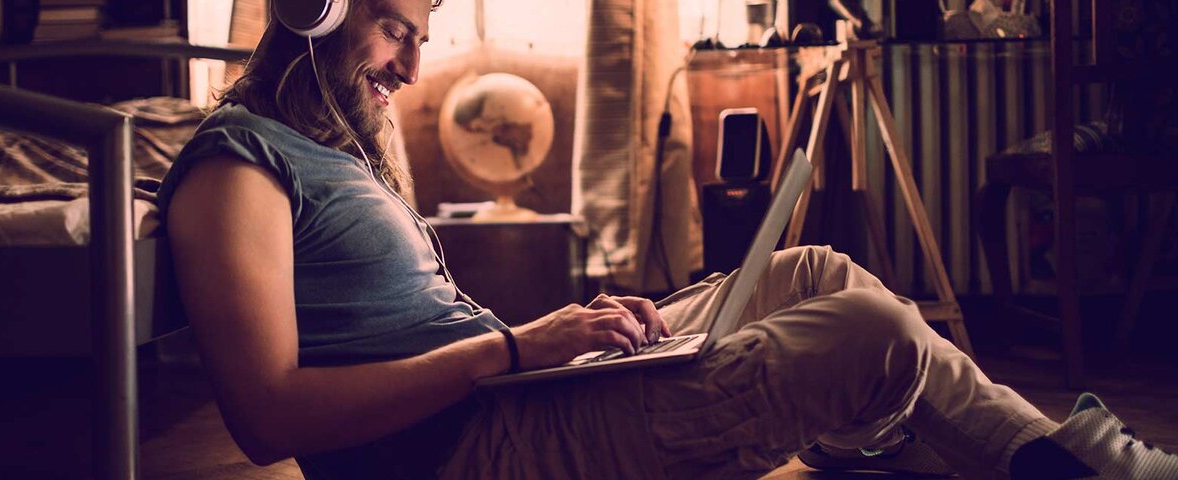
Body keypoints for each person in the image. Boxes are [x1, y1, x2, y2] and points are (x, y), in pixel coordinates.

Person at [159, 0, 1178, 478]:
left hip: (509, 396)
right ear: (310, 9)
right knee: (875, 329)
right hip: (466, 452)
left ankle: (1048, 462)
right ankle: (949, 449)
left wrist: (546, 348)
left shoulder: (335, 149)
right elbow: (267, 418)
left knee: (816, 270)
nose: (413, 70)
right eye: (396, 29)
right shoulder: (239, 167)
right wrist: (515, 349)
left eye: (422, 37)